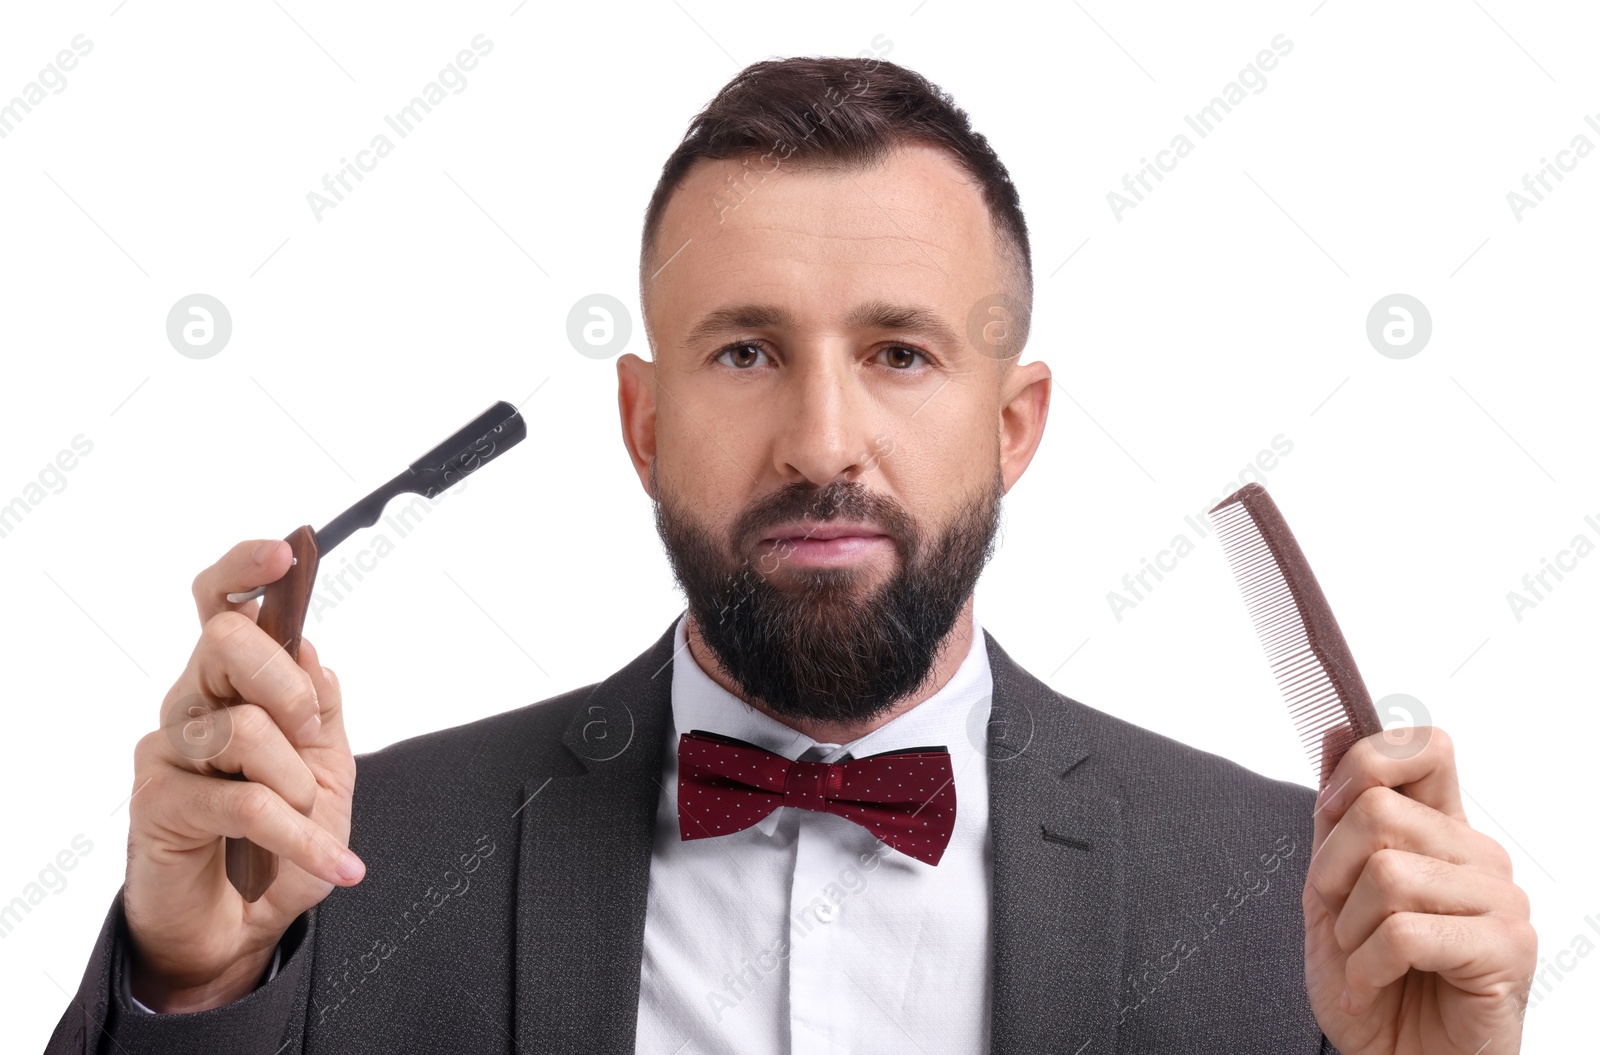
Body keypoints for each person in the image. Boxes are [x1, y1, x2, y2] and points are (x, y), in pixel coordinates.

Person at [45, 55, 1534, 1054]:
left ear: (1015, 426)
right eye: (748, 351)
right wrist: (198, 982)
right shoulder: (341, 880)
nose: (824, 440)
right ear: (640, 421)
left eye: (898, 353)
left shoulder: (1305, 903)